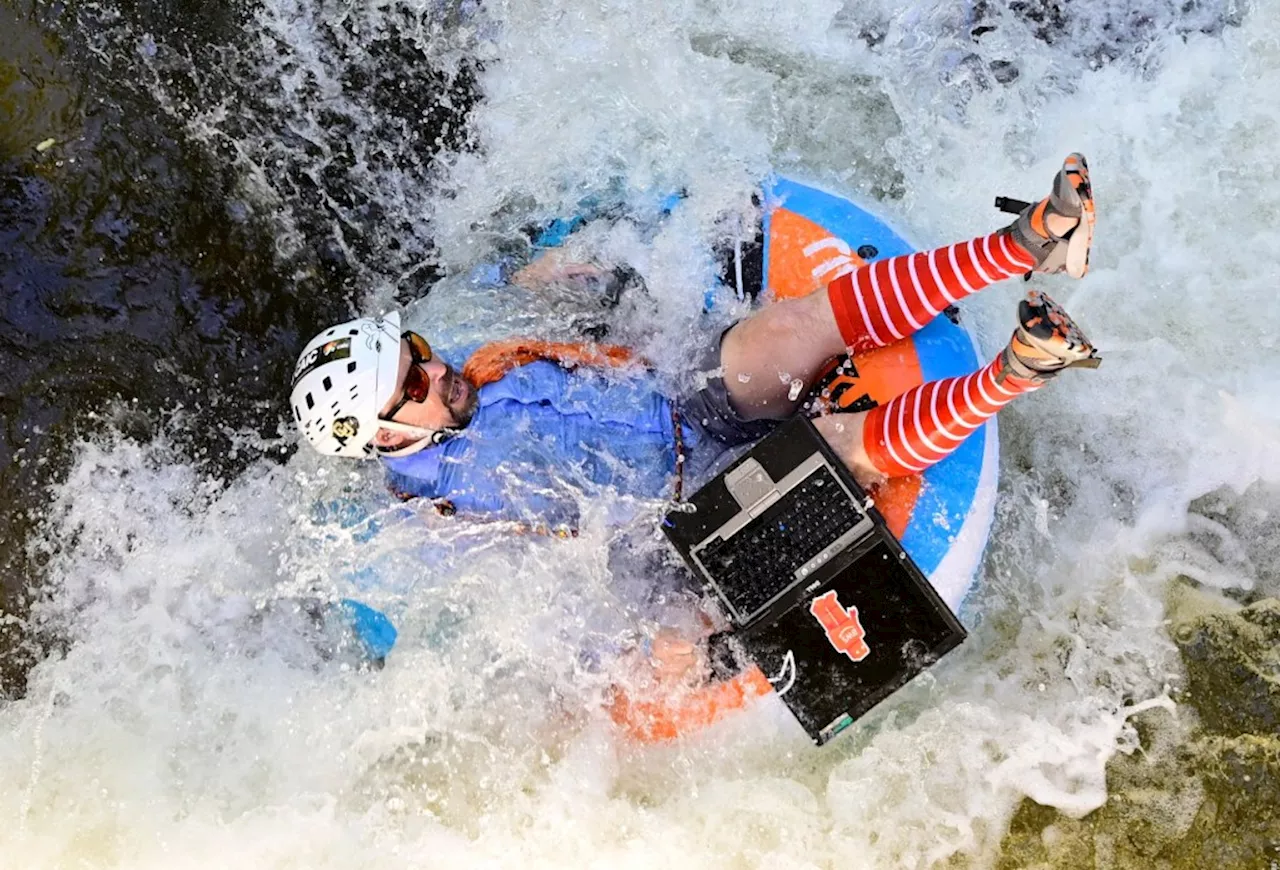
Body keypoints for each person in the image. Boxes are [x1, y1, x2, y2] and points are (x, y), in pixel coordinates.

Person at [290, 153, 1099, 522]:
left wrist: (541, 274)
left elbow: (497, 292)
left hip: (676, 399)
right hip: (688, 504)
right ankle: (1021, 368)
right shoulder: (440, 507)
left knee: (790, 326)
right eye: (414, 387)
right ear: (382, 438)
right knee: (826, 445)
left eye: (419, 352)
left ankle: (1031, 240)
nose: (435, 370)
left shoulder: (468, 362)